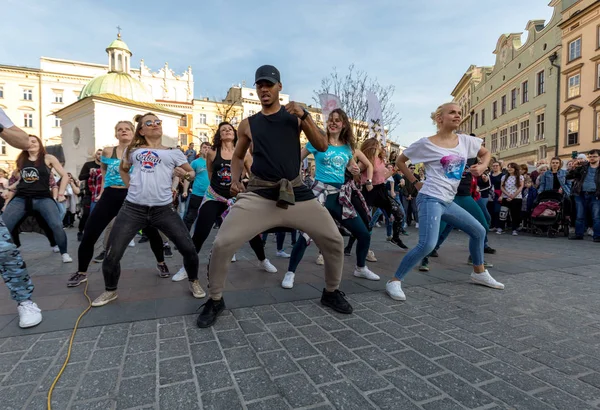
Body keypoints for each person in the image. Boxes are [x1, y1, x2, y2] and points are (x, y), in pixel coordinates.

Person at [196, 65, 352, 328]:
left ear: (280, 86)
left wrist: (305, 116)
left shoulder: (295, 117)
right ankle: (215, 299)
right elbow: (236, 156)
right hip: (258, 194)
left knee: (334, 240)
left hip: (297, 192)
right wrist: (235, 180)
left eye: (269, 84)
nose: (264, 89)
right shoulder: (248, 124)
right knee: (223, 243)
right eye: (260, 85)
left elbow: (323, 145)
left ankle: (331, 292)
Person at [389, 102, 504, 301]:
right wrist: (415, 182)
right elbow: (400, 161)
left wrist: (483, 166)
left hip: (448, 201)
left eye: (459, 113)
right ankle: (394, 281)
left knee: (479, 231)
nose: (458, 115)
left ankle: (478, 273)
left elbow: (486, 154)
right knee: (427, 244)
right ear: (439, 118)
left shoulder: (466, 141)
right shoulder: (426, 143)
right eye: (452, 112)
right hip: (430, 198)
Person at [91, 113, 200, 307]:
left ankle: (193, 281)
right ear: (141, 130)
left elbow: (191, 172)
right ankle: (110, 291)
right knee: (112, 254)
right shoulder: (133, 151)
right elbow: (124, 169)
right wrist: (130, 186)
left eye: (158, 122)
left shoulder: (173, 152)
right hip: (133, 209)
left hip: (163, 210)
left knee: (189, 249)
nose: (155, 125)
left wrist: (186, 175)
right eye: (149, 123)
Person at [281, 108, 378, 289]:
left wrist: (355, 170)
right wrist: (296, 180)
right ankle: (290, 272)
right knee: (305, 235)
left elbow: (351, 167)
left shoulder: (348, 148)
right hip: (319, 194)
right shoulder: (318, 142)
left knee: (364, 233)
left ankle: (360, 267)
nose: (333, 123)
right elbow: (295, 160)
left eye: (337, 120)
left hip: (340, 197)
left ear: (343, 125)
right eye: (331, 120)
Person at [66, 120, 168, 287]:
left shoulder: (141, 152)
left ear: (133, 132)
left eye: (127, 129)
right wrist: (102, 192)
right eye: (120, 129)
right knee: (90, 232)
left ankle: (161, 263)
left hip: (135, 195)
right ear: (116, 134)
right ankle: (81, 272)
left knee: (151, 231)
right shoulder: (108, 151)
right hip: (111, 194)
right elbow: (104, 172)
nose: (123, 131)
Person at [172, 122, 278, 282]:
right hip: (214, 196)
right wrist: (218, 189)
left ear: (235, 134)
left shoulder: (244, 153)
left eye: (229, 129)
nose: (227, 131)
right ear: (219, 135)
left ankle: (263, 260)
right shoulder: (212, 152)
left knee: (252, 231)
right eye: (223, 130)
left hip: (236, 198)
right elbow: (210, 172)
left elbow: (253, 175)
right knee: (200, 232)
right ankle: (186, 268)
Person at [0, 108, 44, 327]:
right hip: (22, 197)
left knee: (5, 250)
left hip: (41, 198)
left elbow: (23, 140)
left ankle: (25, 301)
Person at [3, 135, 73, 263]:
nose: (31, 144)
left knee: (56, 225)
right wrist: (9, 189)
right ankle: (8, 253)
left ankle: (64, 253)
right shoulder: (22, 160)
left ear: (40, 143)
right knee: (4, 225)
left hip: (43, 198)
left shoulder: (48, 158)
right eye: (28, 142)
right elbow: (21, 180)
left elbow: (64, 176)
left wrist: (61, 192)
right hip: (22, 198)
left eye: (34, 141)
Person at [358, 138, 408, 249]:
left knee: (399, 214)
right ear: (374, 146)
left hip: (381, 190)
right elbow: (356, 172)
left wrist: (395, 170)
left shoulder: (380, 160)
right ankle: (352, 245)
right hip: (369, 191)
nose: (382, 147)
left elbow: (382, 177)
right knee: (365, 220)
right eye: (379, 144)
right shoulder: (365, 160)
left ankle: (395, 237)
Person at [567, 150, 600, 241]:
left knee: (596, 216)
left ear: (599, 157)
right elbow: (569, 177)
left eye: (594, 156)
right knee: (579, 215)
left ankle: (597, 236)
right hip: (580, 193)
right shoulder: (583, 167)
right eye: (590, 156)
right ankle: (579, 234)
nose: (592, 158)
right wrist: (574, 167)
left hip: (595, 194)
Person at [182, 141, 211, 231]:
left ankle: (196, 240)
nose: (207, 149)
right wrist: (185, 190)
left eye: (209, 148)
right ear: (200, 150)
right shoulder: (195, 163)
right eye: (205, 147)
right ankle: (184, 240)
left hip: (211, 196)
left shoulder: (214, 162)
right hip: (197, 194)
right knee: (190, 217)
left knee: (204, 220)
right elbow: (187, 177)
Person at [77, 149, 102, 241]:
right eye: (98, 154)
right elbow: (81, 177)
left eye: (102, 154)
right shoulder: (88, 165)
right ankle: (81, 231)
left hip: (102, 193)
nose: (100, 156)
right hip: (89, 193)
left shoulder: (106, 166)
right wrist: (90, 173)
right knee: (86, 214)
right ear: (95, 155)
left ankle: (93, 233)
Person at [498, 163, 524, 236]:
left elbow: (520, 187)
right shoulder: (504, 177)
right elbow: (502, 187)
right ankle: (501, 227)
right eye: (508, 167)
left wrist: (513, 196)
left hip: (517, 198)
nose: (509, 169)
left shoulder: (520, 177)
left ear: (515, 168)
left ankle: (514, 229)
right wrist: (507, 194)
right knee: (503, 213)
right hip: (506, 197)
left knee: (515, 214)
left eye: (511, 167)